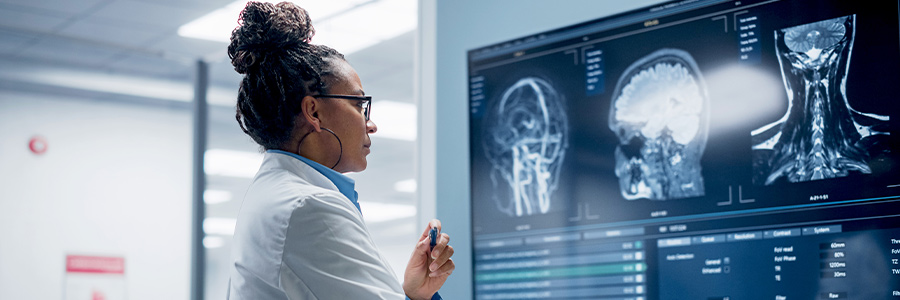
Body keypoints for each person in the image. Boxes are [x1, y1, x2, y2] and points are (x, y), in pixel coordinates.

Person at [224, 2, 454, 299]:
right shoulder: (307, 207)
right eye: (359, 105)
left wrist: (413, 294)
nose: (370, 125)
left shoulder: (280, 195)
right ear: (314, 112)